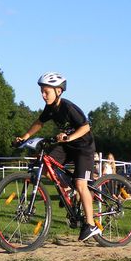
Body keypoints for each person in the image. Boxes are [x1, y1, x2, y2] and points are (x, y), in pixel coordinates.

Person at [16, 71, 100, 242]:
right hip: (67, 146)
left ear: (58, 91)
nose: (43, 95)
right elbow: (39, 122)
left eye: (46, 91)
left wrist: (68, 137)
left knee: (81, 184)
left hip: (83, 147)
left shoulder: (68, 107)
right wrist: (24, 137)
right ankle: (67, 190)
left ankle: (90, 225)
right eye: (41, 91)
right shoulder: (50, 108)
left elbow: (86, 127)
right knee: (45, 166)